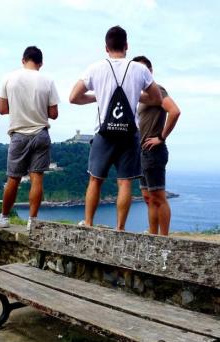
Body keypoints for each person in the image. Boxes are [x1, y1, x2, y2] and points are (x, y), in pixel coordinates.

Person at [69, 25, 163, 230]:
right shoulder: (140, 69)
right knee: (125, 182)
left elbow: (73, 97)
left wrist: (99, 97)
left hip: (104, 133)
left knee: (95, 180)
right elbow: (156, 98)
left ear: (106, 47)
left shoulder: (95, 68)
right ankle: (120, 228)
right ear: (126, 46)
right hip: (130, 134)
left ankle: (88, 223)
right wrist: (136, 94)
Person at [0, 46, 59, 230]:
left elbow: (2, 109)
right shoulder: (47, 80)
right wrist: (38, 109)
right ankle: (33, 221)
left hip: (19, 134)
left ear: (23, 60)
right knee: (37, 178)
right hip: (41, 134)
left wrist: (19, 107)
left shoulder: (9, 78)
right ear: (41, 63)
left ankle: (4, 217)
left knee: (13, 178)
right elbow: (54, 113)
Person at [131, 56, 180, 235]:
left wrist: (160, 137)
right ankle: (153, 236)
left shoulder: (158, 90)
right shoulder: (142, 95)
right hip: (142, 151)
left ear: (150, 71)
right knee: (148, 198)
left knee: (158, 197)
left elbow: (174, 111)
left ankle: (164, 238)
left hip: (154, 151)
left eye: (144, 70)